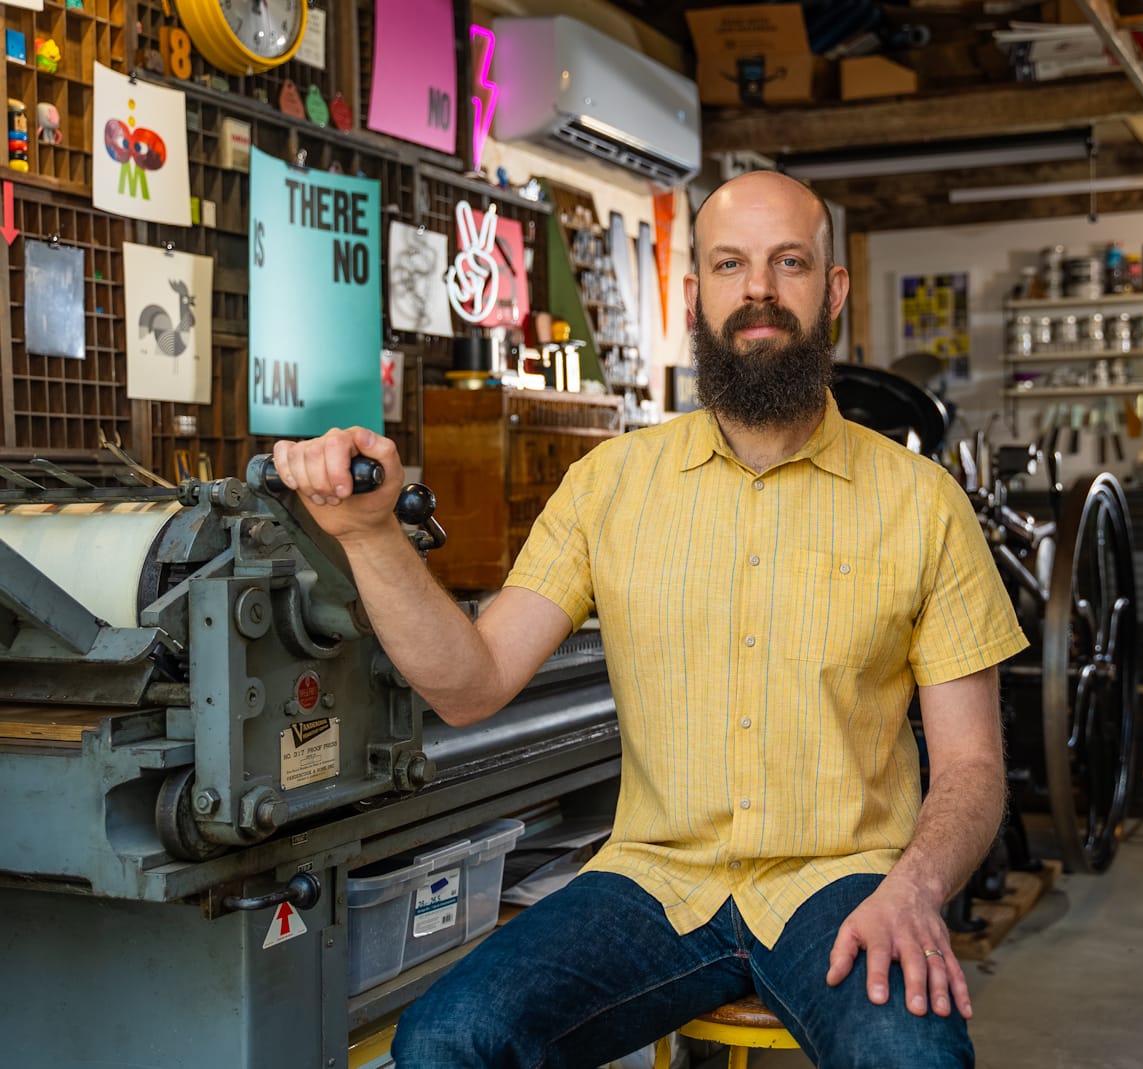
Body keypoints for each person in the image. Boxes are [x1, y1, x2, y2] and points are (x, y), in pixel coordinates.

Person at [271, 170, 1027, 1068]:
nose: (758, 289)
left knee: (916, 1061)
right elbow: (470, 686)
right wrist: (369, 535)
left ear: (831, 292)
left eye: (788, 263)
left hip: (847, 885)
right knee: (449, 1038)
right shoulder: (610, 483)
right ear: (694, 293)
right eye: (729, 264)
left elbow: (974, 766)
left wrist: (917, 885)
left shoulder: (923, 503)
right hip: (653, 882)